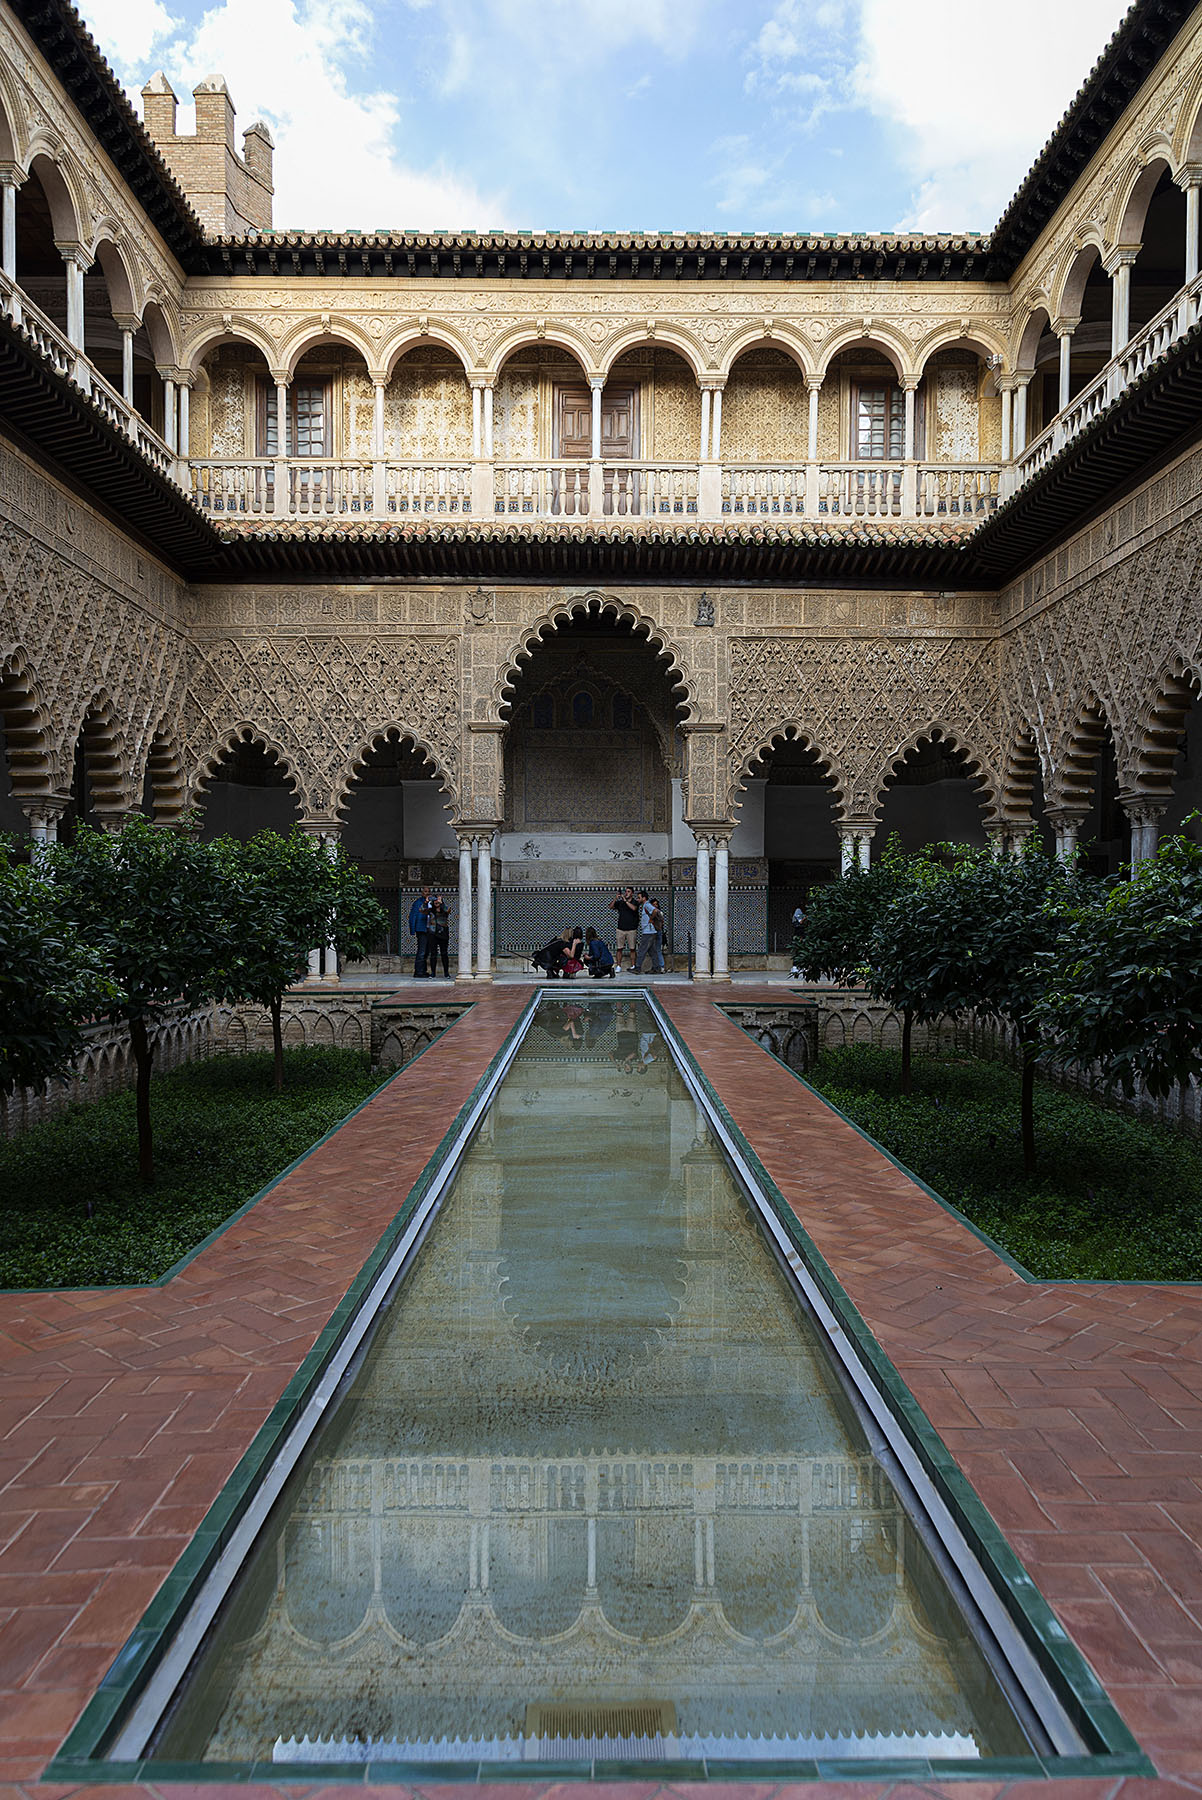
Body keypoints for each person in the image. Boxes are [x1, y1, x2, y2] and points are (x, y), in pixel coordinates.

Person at [609, 885, 640, 973]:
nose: (626, 893)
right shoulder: (621, 903)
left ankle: (633, 965)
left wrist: (625, 901)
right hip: (621, 929)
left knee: (632, 948)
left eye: (628, 891)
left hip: (631, 929)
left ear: (632, 893)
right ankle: (618, 966)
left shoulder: (635, 902)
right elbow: (611, 907)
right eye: (626, 891)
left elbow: (634, 908)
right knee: (619, 948)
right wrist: (616, 899)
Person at [634, 889, 665, 975]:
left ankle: (638, 968)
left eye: (639, 898)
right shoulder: (645, 906)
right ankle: (656, 968)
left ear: (644, 898)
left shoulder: (647, 905)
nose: (637, 899)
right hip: (651, 931)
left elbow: (655, 910)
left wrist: (651, 919)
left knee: (642, 950)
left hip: (649, 931)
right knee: (652, 951)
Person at [408, 885, 431, 978]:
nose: (427, 893)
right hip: (421, 929)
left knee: (426, 951)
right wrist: (413, 930)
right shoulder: (418, 902)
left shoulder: (431, 902)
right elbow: (413, 916)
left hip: (430, 929)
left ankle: (423, 970)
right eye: (425, 891)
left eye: (428, 891)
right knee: (421, 951)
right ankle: (418, 972)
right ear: (422, 893)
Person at [425, 890, 451, 977]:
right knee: (433, 954)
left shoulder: (444, 910)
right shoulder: (430, 910)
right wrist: (426, 902)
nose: (436, 902)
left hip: (443, 934)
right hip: (432, 934)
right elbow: (421, 910)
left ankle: (446, 973)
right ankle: (433, 973)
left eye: (438, 900)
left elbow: (448, 910)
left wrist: (442, 903)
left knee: (444, 954)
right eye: (435, 900)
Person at [791, 900, 806, 980]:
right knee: (798, 949)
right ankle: (795, 966)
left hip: (803, 932)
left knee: (803, 949)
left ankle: (802, 966)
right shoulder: (798, 911)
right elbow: (801, 922)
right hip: (799, 932)